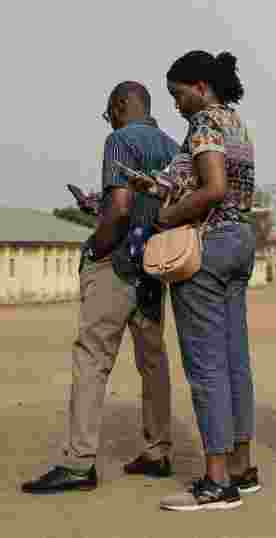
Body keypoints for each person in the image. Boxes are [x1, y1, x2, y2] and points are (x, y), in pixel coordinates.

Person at [22, 82, 179, 495]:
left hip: (117, 263)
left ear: (120, 106)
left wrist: (95, 246)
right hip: (153, 266)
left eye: (109, 111)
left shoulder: (119, 139)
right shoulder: (172, 144)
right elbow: (151, 204)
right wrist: (99, 207)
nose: (108, 119)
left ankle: (78, 463)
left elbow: (123, 208)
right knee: (153, 360)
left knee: (92, 359)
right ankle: (158, 450)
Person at [130, 51, 258, 511]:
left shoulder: (203, 122)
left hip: (208, 245)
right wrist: (158, 186)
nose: (177, 106)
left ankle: (217, 482)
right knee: (234, 360)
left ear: (200, 86)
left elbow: (214, 188)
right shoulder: (235, 122)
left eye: (178, 94)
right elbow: (212, 180)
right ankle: (243, 468)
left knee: (205, 367)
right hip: (241, 240)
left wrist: (166, 217)